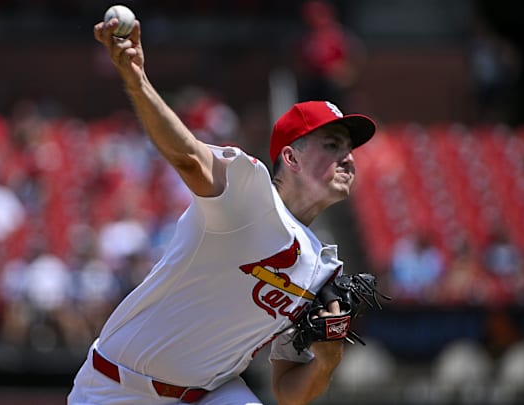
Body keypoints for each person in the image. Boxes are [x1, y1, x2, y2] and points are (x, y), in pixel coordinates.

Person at [68, 12, 377, 405]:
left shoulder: (323, 271)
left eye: (349, 149)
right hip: (117, 388)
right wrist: (136, 77)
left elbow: (288, 393)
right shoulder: (250, 193)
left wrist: (327, 360)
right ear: (291, 158)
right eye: (332, 145)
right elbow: (189, 160)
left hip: (212, 394)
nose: (348, 158)